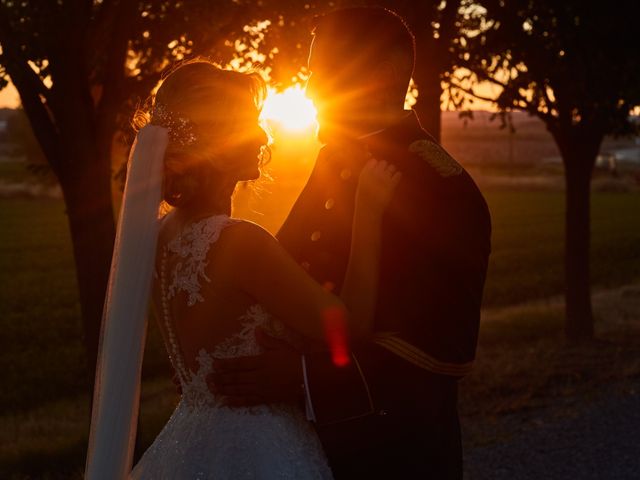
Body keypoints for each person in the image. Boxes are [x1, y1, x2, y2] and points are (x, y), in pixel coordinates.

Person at [84, 60, 401, 479]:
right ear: (218, 145)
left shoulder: (157, 238)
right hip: (257, 449)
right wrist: (368, 213)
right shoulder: (239, 241)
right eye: (249, 123)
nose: (263, 135)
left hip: (187, 444)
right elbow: (351, 325)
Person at [210, 7, 492, 479]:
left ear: (380, 75)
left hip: (391, 455)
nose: (309, 89)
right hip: (306, 448)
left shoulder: (440, 186)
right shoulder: (332, 161)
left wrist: (302, 378)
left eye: (325, 73)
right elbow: (287, 274)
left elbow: (439, 352)